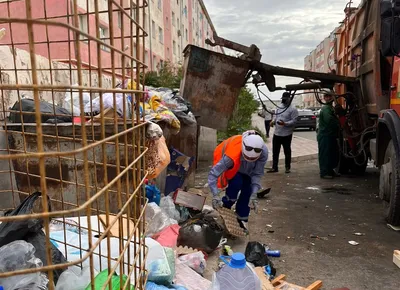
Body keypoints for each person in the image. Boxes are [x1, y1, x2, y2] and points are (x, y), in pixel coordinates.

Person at [208, 130, 268, 230]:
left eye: (252, 158)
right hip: (235, 169)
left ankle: (241, 219)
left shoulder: (263, 152)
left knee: (248, 192)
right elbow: (213, 174)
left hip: (250, 172)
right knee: (236, 184)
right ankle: (226, 206)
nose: (249, 158)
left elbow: (257, 174)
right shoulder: (232, 154)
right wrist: (215, 195)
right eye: (246, 157)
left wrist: (254, 195)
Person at [267, 92, 298, 174]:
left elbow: (294, 121)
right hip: (277, 133)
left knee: (287, 151)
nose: (284, 100)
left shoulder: (293, 109)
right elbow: (275, 116)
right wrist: (272, 122)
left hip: (286, 134)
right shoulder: (279, 107)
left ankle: (287, 167)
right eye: (283, 99)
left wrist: (285, 124)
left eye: (285, 99)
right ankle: (274, 167)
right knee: (275, 151)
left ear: (289, 99)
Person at [317, 94, 340, 179]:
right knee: (325, 154)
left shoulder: (330, 107)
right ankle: (324, 172)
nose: (329, 98)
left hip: (330, 135)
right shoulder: (326, 108)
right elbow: (329, 120)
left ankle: (330, 171)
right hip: (325, 135)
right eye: (327, 97)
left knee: (331, 154)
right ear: (324, 98)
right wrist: (339, 124)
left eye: (330, 96)